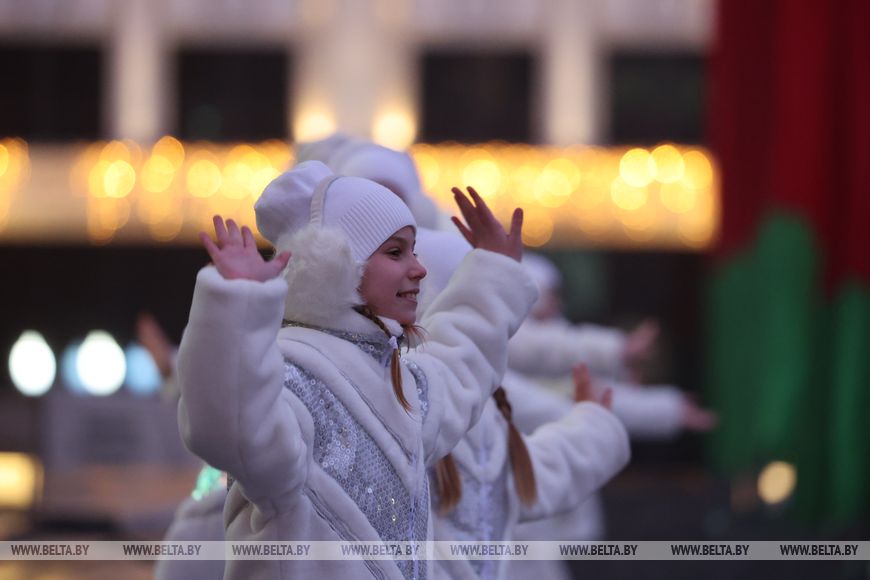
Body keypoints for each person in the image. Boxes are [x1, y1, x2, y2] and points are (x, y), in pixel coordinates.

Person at [175, 161, 537, 580]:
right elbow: (228, 429)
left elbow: (460, 364)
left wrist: (495, 273)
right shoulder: (291, 372)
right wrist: (237, 303)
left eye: (414, 251)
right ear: (338, 265)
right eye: (396, 252)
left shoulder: (398, 378)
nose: (419, 268)